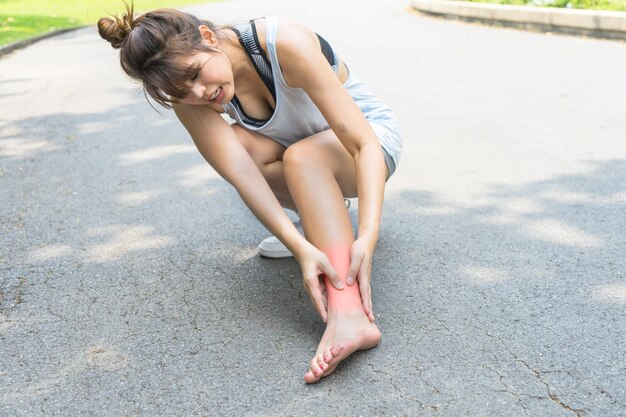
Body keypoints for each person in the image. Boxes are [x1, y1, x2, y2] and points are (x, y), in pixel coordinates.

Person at [98, 3, 402, 384]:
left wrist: (368, 236)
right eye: (182, 90)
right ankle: (321, 217)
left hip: (370, 144)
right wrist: (300, 247)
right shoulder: (189, 94)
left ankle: (350, 316)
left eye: (196, 73)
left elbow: (363, 145)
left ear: (207, 37)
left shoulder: (282, 41)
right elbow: (243, 176)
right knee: (250, 148)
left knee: (303, 158)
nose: (199, 92)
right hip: (303, 153)